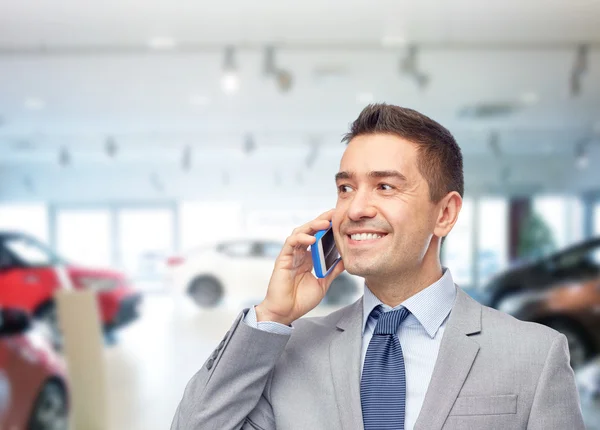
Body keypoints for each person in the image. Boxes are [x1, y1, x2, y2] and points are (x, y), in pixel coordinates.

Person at [171, 104, 585, 430]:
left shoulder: (535, 354)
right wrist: (272, 316)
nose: (356, 208)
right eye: (345, 188)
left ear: (444, 214)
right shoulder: (288, 350)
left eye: (385, 187)